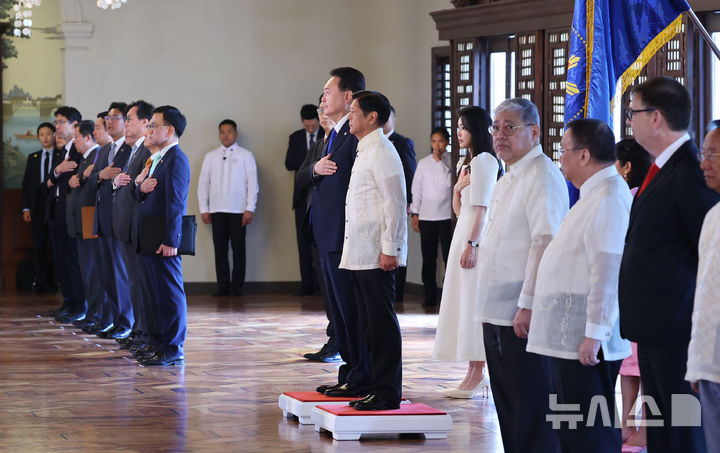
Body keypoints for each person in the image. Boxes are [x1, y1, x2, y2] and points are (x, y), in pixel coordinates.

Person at [618, 77, 719, 453]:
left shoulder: (689, 171)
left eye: (634, 113)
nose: (631, 122)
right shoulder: (661, 168)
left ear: (656, 117)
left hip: (677, 328)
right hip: (654, 327)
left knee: (682, 434)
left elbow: (707, 252)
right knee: (661, 431)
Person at [527, 119, 632, 453]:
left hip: (586, 338)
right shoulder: (593, 193)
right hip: (570, 332)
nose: (561, 158)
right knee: (572, 426)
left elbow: (607, 268)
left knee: (588, 428)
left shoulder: (610, 196)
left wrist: (594, 333)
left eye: (564, 151)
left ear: (584, 155)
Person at [477, 98, 568, 453]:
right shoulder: (508, 175)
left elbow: (544, 243)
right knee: (509, 404)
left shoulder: (542, 175)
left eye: (509, 127)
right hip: (496, 308)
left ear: (534, 131)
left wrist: (529, 304)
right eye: (496, 127)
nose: (500, 135)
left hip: (522, 311)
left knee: (531, 405)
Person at [339, 90, 407, 411]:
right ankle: (368, 382)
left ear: (372, 118)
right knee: (367, 322)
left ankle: (387, 391)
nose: (349, 117)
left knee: (381, 324)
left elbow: (395, 202)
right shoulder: (364, 149)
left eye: (354, 112)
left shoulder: (382, 149)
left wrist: (391, 248)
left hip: (378, 254)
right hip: (361, 252)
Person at [311, 67, 371, 398]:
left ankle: (360, 375)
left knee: (350, 310)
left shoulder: (354, 133)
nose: (323, 97)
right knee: (339, 311)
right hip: (327, 234)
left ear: (348, 96)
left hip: (343, 234)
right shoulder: (335, 132)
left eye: (328, 91)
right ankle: (349, 372)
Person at [432, 107, 499, 398]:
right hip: (464, 232)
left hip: (476, 237)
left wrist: (473, 245)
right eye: (457, 127)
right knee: (463, 302)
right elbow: (460, 211)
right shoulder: (466, 162)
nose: (458, 132)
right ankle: (472, 372)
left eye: (463, 127)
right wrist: (458, 189)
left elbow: (483, 210)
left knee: (474, 304)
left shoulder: (485, 161)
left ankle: (478, 373)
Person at [134, 105, 191, 366]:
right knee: (153, 293)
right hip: (149, 236)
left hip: (163, 239)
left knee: (169, 294)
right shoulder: (157, 158)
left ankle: (172, 347)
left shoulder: (176, 158)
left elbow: (176, 203)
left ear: (170, 130)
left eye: (153, 125)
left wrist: (171, 240)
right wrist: (139, 187)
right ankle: (157, 343)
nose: (148, 130)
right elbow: (146, 195)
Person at [614, 138, 652, 449]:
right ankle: (626, 423)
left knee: (645, 365)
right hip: (623, 290)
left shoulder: (640, 198)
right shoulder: (620, 196)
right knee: (629, 363)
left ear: (627, 167)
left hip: (645, 291)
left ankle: (648, 426)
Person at [296, 100, 341, 363]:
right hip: (316, 224)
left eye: (327, 111)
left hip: (334, 226)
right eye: (320, 113)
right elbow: (300, 177)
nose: (323, 116)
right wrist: (314, 169)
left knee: (337, 290)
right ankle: (333, 338)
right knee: (326, 289)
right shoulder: (317, 145)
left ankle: (339, 341)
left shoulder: (341, 143)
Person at [112, 100, 155, 351]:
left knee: (140, 284)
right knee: (133, 284)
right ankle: (138, 330)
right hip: (127, 226)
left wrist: (124, 184)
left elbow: (140, 189)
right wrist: (116, 182)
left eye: (129, 119)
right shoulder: (133, 150)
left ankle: (144, 332)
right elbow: (127, 184)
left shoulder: (146, 151)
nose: (125, 124)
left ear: (144, 123)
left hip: (137, 227)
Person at [197, 119, 258, 297]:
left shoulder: (246, 155)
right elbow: (203, 184)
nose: (225, 135)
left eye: (229, 131)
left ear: (235, 134)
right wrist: (204, 208)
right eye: (222, 132)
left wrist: (250, 208)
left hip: (239, 210)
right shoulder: (210, 156)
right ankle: (222, 286)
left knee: (239, 249)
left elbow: (252, 183)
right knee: (220, 249)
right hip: (216, 210)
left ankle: (237, 286)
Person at [687, 127, 720, 453]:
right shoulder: (713, 216)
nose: (704, 164)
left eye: (713, 155)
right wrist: (697, 361)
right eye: (703, 154)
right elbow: (705, 293)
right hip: (710, 365)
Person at [89, 102, 134, 340]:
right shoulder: (105, 150)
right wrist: (100, 175)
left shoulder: (130, 148)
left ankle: (127, 322)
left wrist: (104, 177)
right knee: (107, 274)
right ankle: (117, 320)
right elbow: (95, 178)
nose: (109, 120)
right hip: (102, 218)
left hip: (119, 220)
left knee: (120, 275)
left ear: (126, 121)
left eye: (115, 117)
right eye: (107, 116)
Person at [47, 106, 85, 323]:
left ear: (74, 125)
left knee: (73, 260)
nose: (57, 126)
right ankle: (69, 302)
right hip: (58, 212)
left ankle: (80, 305)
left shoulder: (81, 151)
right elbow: (50, 181)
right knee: (62, 260)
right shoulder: (62, 151)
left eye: (61, 122)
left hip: (73, 214)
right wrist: (59, 170)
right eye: (56, 122)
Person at [64, 120, 103, 329]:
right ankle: (92, 312)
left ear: (88, 138)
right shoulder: (85, 157)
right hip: (80, 220)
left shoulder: (97, 155)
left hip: (89, 218)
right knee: (86, 269)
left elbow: (92, 185)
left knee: (92, 271)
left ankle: (96, 314)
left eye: (77, 136)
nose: (75, 140)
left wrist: (80, 177)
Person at [410, 127, 452, 307]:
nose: (437, 145)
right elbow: (416, 190)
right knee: (428, 259)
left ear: (447, 142)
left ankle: (450, 296)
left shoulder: (452, 161)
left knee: (448, 257)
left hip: (447, 217)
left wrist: (440, 162)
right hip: (427, 217)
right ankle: (429, 295)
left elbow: (451, 182)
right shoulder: (423, 163)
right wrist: (415, 213)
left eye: (441, 141)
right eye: (434, 141)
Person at [285, 103, 324, 296]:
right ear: (302, 122)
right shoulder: (296, 137)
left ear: (318, 120)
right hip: (301, 197)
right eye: (307, 126)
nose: (310, 129)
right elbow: (289, 163)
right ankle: (306, 284)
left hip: (320, 195)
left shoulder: (326, 135)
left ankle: (321, 285)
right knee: (303, 243)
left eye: (313, 126)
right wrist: (310, 161)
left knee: (319, 242)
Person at [383, 106, 416, 302]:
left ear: (394, 119)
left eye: (389, 118)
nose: (385, 122)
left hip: (399, 202)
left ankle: (399, 292)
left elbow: (410, 172)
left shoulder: (403, 143)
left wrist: (409, 201)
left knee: (397, 245)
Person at [21, 122, 56, 294]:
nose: (45, 137)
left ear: (54, 135)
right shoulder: (33, 157)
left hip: (55, 205)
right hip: (37, 208)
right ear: (38, 137)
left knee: (57, 246)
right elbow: (26, 185)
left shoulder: (60, 155)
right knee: (39, 246)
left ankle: (57, 282)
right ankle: (40, 282)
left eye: (48, 134)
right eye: (41, 134)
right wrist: (26, 208)